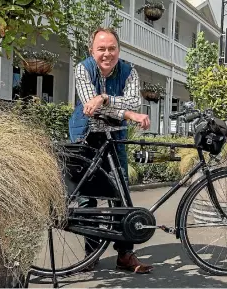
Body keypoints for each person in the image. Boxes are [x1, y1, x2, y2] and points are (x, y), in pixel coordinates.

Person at [68, 27, 153, 274]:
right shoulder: (83, 68)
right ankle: (90, 255)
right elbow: (90, 107)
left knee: (121, 191)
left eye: (112, 48)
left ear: (119, 49)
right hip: (86, 134)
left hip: (115, 135)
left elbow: (135, 100)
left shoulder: (129, 71)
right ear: (91, 50)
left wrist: (104, 98)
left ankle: (125, 254)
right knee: (87, 196)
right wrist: (127, 114)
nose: (107, 53)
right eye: (101, 49)